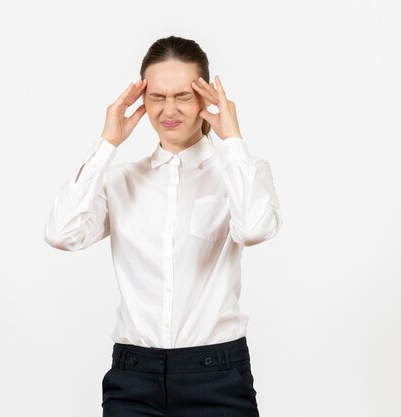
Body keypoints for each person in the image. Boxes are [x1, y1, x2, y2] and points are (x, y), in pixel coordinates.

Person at [43, 35, 283, 417]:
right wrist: (107, 142)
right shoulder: (120, 180)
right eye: (157, 97)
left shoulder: (241, 173)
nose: (169, 110)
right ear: (142, 99)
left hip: (217, 375)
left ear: (206, 99)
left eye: (183, 96)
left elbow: (254, 227)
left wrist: (232, 139)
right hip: (133, 378)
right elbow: (61, 233)